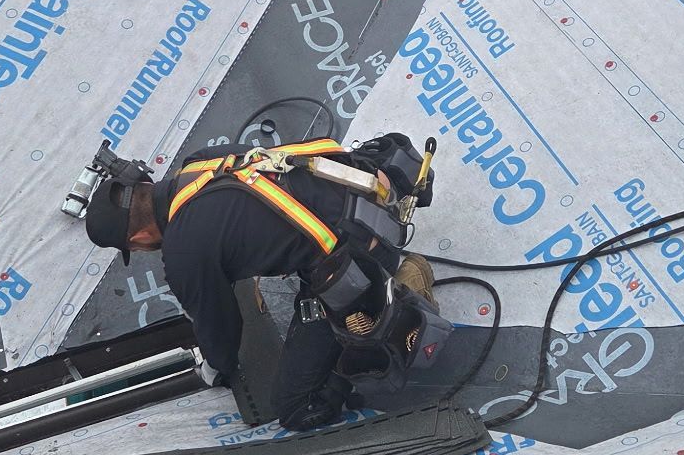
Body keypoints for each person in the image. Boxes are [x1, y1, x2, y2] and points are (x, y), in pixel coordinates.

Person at [83, 131, 440, 431]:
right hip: (372, 195)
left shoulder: (183, 252)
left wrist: (214, 369)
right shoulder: (199, 162)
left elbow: (222, 335)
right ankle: (381, 272)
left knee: (297, 408)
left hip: (360, 252)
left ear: (139, 238)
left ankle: (404, 291)